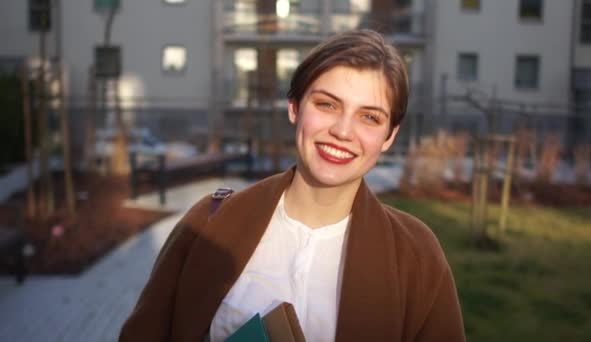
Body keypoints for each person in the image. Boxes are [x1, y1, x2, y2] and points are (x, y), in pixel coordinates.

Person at [120, 29, 465, 342]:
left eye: (369, 117)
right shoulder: (207, 225)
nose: (343, 131)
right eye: (327, 104)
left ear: (390, 136)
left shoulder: (418, 257)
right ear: (295, 108)